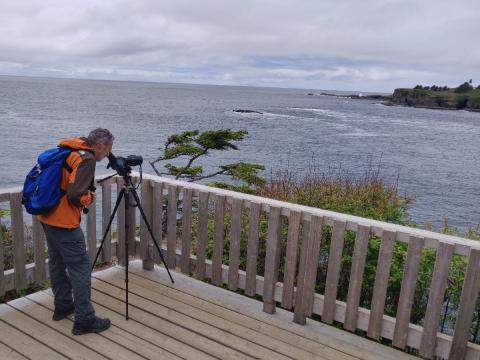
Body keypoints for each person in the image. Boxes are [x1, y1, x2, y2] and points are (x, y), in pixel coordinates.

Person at [38, 128, 114, 335]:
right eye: (108, 149)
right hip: (64, 222)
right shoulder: (87, 159)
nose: (108, 154)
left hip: (47, 216)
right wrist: (88, 198)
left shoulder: (68, 150)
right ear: (100, 145)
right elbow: (74, 195)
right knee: (80, 267)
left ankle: (62, 306)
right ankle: (85, 319)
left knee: (57, 262)